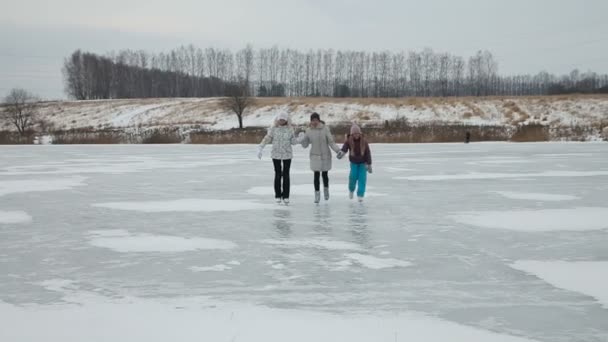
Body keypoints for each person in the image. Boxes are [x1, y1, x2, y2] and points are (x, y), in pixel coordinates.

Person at [298, 112, 341, 203]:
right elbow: (305, 145)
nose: (314, 122)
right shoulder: (308, 130)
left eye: (316, 120)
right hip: (315, 156)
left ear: (319, 120)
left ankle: (326, 190)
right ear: (311, 121)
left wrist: (338, 150)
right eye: (313, 120)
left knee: (325, 175)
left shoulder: (325, 129)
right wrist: (302, 139)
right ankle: (317, 195)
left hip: (325, 155)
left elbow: (331, 142)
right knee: (316, 176)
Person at [257, 112, 297, 205]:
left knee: (286, 175)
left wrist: (299, 139)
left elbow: (293, 142)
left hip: (287, 154)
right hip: (276, 154)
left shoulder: (290, 129)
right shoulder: (273, 129)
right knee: (278, 174)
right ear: (277, 119)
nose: (281, 121)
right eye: (280, 119)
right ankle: (278, 195)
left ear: (286, 120)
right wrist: (260, 147)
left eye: (283, 120)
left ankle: (286, 196)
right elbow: (267, 138)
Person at [337, 123, 372, 202]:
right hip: (354, 163)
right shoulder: (349, 141)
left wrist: (369, 164)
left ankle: (360, 195)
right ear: (352, 134)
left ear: (360, 133)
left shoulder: (364, 142)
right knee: (352, 177)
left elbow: (368, 153)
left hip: (363, 163)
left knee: (362, 179)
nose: (356, 135)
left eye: (357, 133)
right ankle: (351, 190)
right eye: (354, 133)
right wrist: (341, 153)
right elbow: (344, 148)